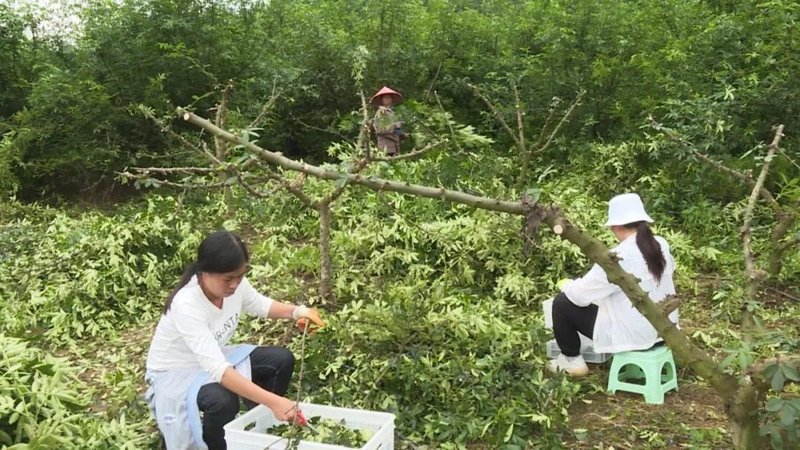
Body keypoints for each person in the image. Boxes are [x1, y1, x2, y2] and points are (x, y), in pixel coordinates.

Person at [145, 230, 325, 450]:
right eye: (228, 279)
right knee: (222, 401)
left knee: (282, 360)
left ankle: (253, 425)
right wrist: (273, 401)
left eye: (239, 276)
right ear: (205, 272)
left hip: (213, 356)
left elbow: (260, 305)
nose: (234, 284)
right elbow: (218, 370)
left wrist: (299, 311)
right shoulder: (187, 304)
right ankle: (216, 445)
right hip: (175, 371)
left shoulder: (236, 284)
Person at [548, 193, 678, 376]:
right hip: (664, 331)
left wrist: (566, 284)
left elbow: (579, 295)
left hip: (633, 335)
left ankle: (571, 360)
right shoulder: (661, 244)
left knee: (562, 302)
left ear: (616, 226)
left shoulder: (618, 256)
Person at [370, 86, 406, 156]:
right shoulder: (381, 113)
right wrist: (395, 126)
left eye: (389, 98)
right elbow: (380, 130)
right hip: (385, 146)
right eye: (386, 98)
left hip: (394, 146)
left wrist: (401, 134)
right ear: (381, 100)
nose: (388, 100)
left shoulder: (391, 112)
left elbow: (394, 130)